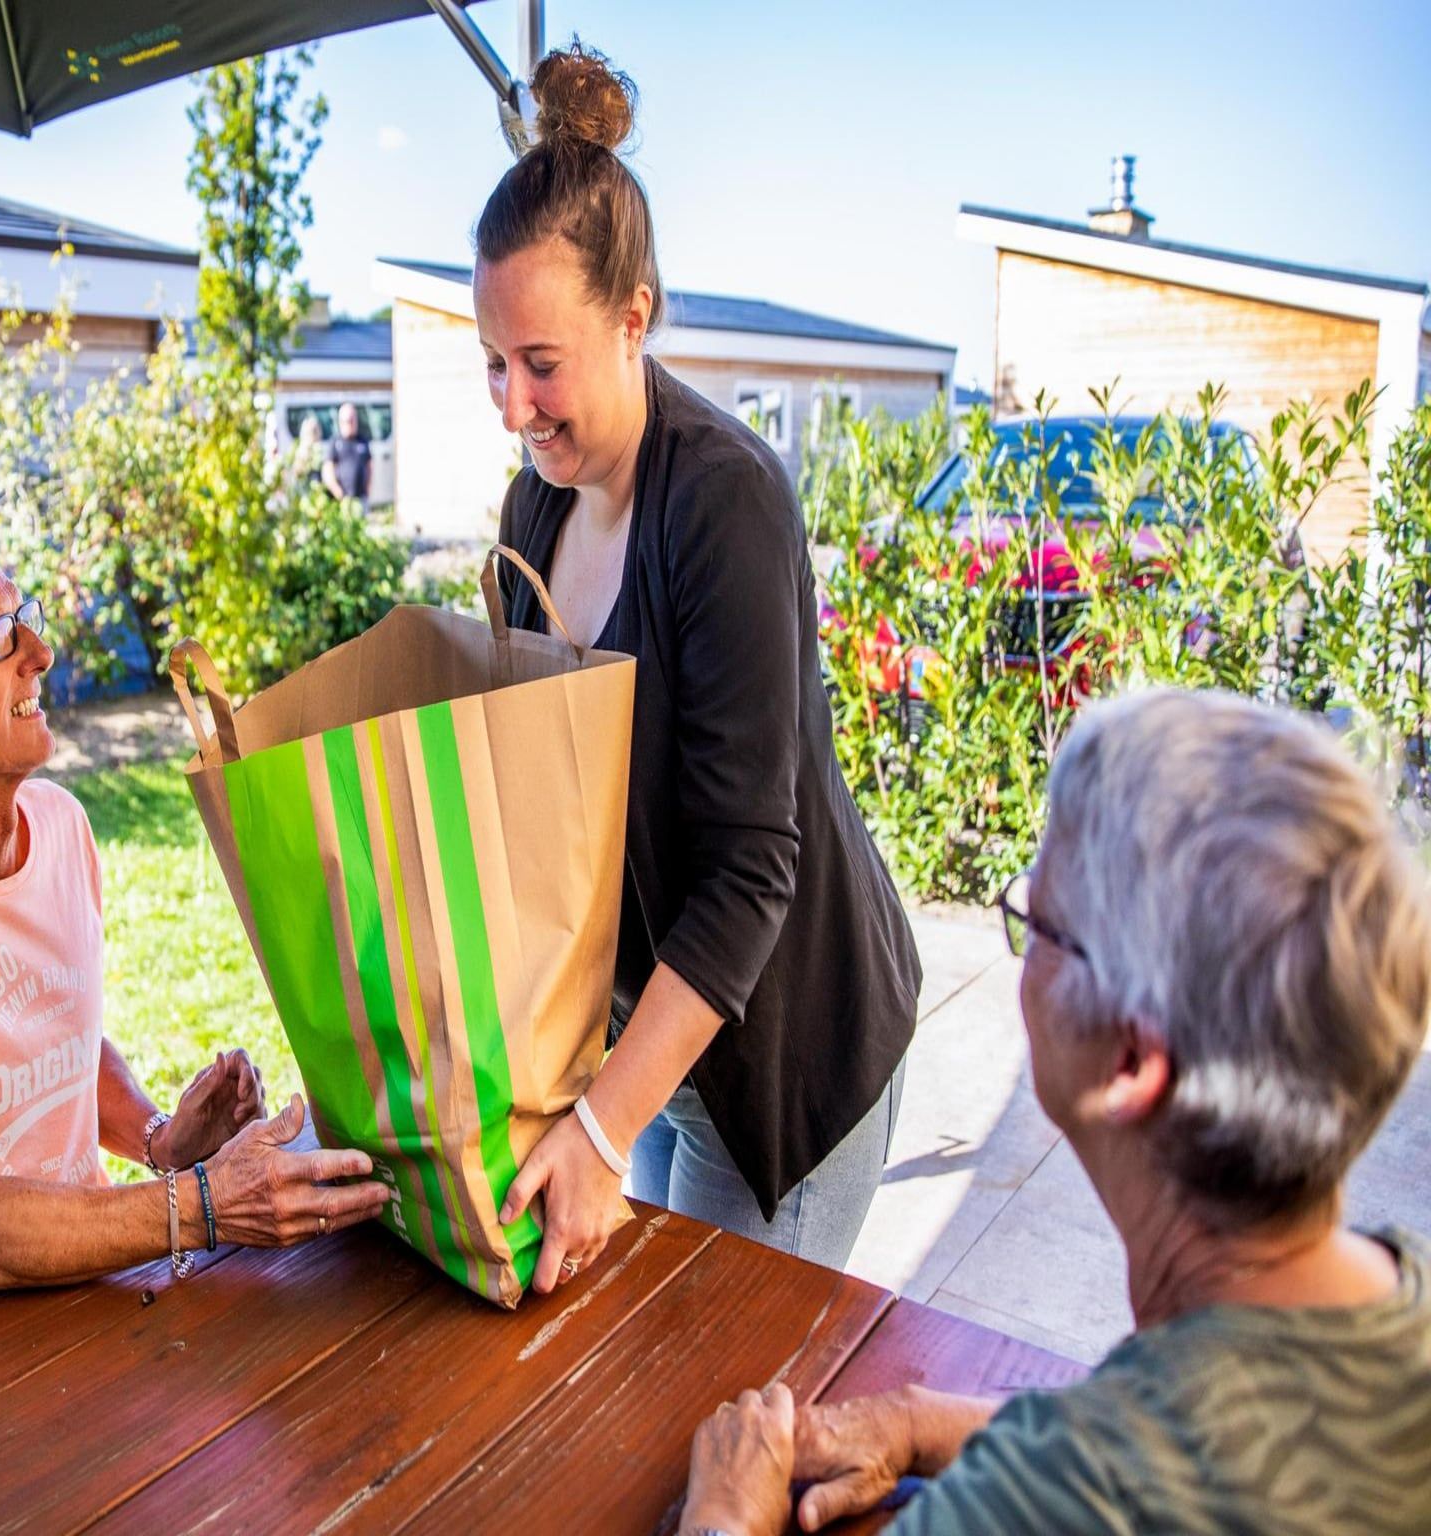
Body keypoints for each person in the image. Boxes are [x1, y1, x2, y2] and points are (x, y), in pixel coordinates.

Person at [681, 688, 1431, 1536]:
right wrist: (921, 1418)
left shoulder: (1045, 1505)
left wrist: (726, 1513)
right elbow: (1188, 1439)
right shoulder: (1401, 1290)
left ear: (1131, 1065)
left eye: (1041, 916)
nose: (1026, 932)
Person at [478, 44, 920, 1289]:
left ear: (634, 316)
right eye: (494, 367)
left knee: (704, 1407)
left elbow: (748, 868)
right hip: (645, 1054)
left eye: (542, 365)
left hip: (785, 1062)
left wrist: (600, 1131)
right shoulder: (536, 510)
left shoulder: (722, 501)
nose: (514, 406)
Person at [0, 518, 389, 1322]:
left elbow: (48, 1029)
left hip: (91, 1299)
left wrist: (162, 1140)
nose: (40, 653)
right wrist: (201, 1202)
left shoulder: (62, 827)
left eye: (27, 617)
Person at [321, 401, 372, 502]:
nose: (351, 423)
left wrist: (368, 489)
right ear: (341, 422)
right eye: (348, 420)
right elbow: (327, 469)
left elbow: (369, 466)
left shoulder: (362, 441)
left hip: (360, 497)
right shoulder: (335, 443)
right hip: (341, 499)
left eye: (353, 420)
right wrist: (337, 491)